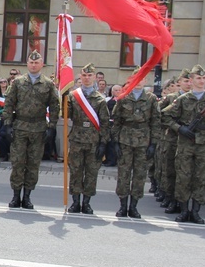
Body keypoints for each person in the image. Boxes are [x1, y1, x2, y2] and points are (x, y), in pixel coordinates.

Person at [3, 50, 60, 209]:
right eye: (31, 62)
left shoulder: (48, 84)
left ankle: (27, 197)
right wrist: (7, 124)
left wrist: (52, 127)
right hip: (20, 127)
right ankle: (16, 196)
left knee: (33, 164)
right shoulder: (18, 82)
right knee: (18, 163)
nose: (34, 65)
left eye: (37, 62)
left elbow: (54, 106)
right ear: (27, 64)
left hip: (39, 129)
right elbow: (9, 103)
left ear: (41, 64)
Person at [162, 64, 205, 224]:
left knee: (200, 178)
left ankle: (195, 212)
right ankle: (183, 210)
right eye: (198, 78)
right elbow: (165, 116)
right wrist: (180, 128)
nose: (201, 81)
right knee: (183, 177)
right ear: (192, 80)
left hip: (204, 145)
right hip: (185, 144)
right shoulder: (182, 99)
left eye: (203, 78)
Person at [111, 68, 160, 218]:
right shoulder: (123, 97)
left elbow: (156, 122)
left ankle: (134, 206)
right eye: (135, 78)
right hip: (125, 140)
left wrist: (153, 144)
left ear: (145, 80)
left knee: (139, 175)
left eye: (141, 78)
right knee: (124, 174)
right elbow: (116, 121)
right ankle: (123, 206)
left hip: (143, 142)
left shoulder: (151, 99)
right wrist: (115, 142)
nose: (138, 82)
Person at [65, 63, 110, 214]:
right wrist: (63, 99)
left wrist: (103, 143)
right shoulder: (73, 96)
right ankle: (75, 202)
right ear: (80, 76)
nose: (86, 78)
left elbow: (105, 123)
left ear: (94, 77)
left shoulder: (100, 99)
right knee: (76, 171)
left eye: (89, 75)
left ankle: (87, 203)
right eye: (84, 75)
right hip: (77, 139)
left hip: (93, 141)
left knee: (91, 173)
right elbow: (66, 115)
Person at [158, 69, 191, 213]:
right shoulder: (172, 98)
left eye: (190, 80)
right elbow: (160, 115)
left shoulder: (197, 98)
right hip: (172, 139)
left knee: (186, 173)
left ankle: (183, 202)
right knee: (170, 171)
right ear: (179, 83)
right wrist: (176, 127)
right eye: (185, 81)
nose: (188, 84)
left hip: (190, 142)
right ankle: (171, 199)